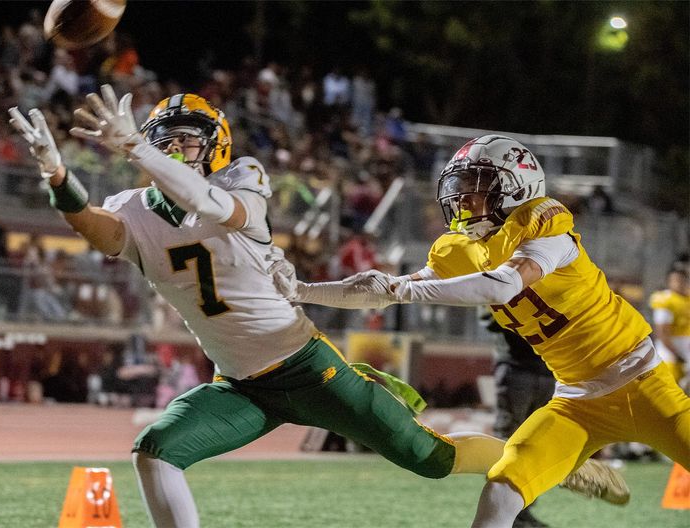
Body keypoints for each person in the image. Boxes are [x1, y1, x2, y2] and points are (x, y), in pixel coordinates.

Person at [10, 94, 625, 528]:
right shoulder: (133, 206)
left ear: (216, 147)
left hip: (306, 367)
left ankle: (555, 464)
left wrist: (144, 151)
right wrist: (58, 175)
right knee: (154, 449)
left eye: (187, 140)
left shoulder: (241, 179)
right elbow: (101, 231)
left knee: (431, 459)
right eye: (165, 139)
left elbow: (200, 198)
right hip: (238, 384)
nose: (175, 148)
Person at [270, 135, 690, 528]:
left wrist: (403, 292)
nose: (463, 197)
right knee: (504, 487)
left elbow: (503, 284)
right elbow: (380, 292)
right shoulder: (461, 249)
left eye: (478, 184)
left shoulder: (547, 228)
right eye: (461, 184)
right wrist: (303, 290)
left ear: (517, 187)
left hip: (642, 385)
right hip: (575, 401)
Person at [482, 311, 555, 528]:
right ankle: (498, 514)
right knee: (507, 442)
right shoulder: (501, 278)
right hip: (515, 367)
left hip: (548, 369)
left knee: (535, 445)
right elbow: (490, 317)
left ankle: (524, 510)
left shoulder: (549, 281)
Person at [649, 267, 690, 391]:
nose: (679, 283)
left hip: (686, 350)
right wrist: (677, 354)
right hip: (670, 351)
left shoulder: (686, 298)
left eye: (682, 280)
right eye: (675, 280)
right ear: (668, 282)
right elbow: (662, 332)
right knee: (670, 389)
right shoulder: (665, 300)